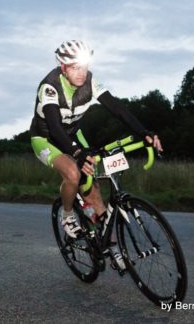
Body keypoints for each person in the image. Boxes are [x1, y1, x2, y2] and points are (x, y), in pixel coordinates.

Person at [29, 40, 163, 270]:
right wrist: (77, 153)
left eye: (84, 67)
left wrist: (144, 132)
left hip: (73, 134)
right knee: (73, 173)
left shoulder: (90, 81)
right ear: (63, 68)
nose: (81, 73)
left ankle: (111, 246)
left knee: (94, 184)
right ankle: (68, 214)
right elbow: (54, 125)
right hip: (47, 138)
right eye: (74, 68)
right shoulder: (49, 86)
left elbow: (117, 108)